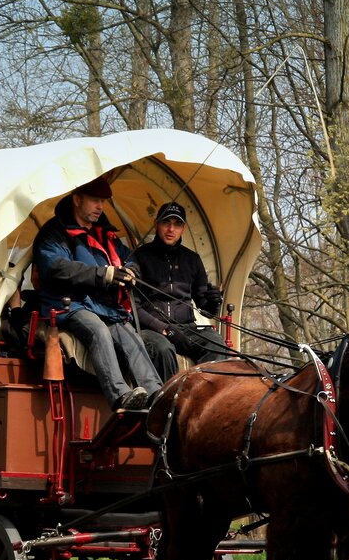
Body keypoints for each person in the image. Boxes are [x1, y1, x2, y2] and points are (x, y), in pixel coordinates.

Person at [31, 175, 161, 410]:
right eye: (94, 201)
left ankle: (157, 396)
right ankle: (121, 396)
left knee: (131, 337)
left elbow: (130, 258)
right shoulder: (53, 233)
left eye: (102, 201)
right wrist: (104, 275)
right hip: (68, 304)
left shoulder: (105, 233)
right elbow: (56, 268)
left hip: (105, 306)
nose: (100, 207)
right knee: (98, 331)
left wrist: (130, 271)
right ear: (77, 199)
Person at [131, 200, 231, 380]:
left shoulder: (192, 259)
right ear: (156, 224)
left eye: (177, 224)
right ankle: (165, 403)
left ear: (183, 228)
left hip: (187, 328)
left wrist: (214, 300)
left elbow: (205, 308)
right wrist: (165, 330)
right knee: (163, 349)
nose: (171, 229)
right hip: (152, 329)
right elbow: (133, 307)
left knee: (217, 345)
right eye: (166, 223)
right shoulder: (139, 257)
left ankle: (200, 400)